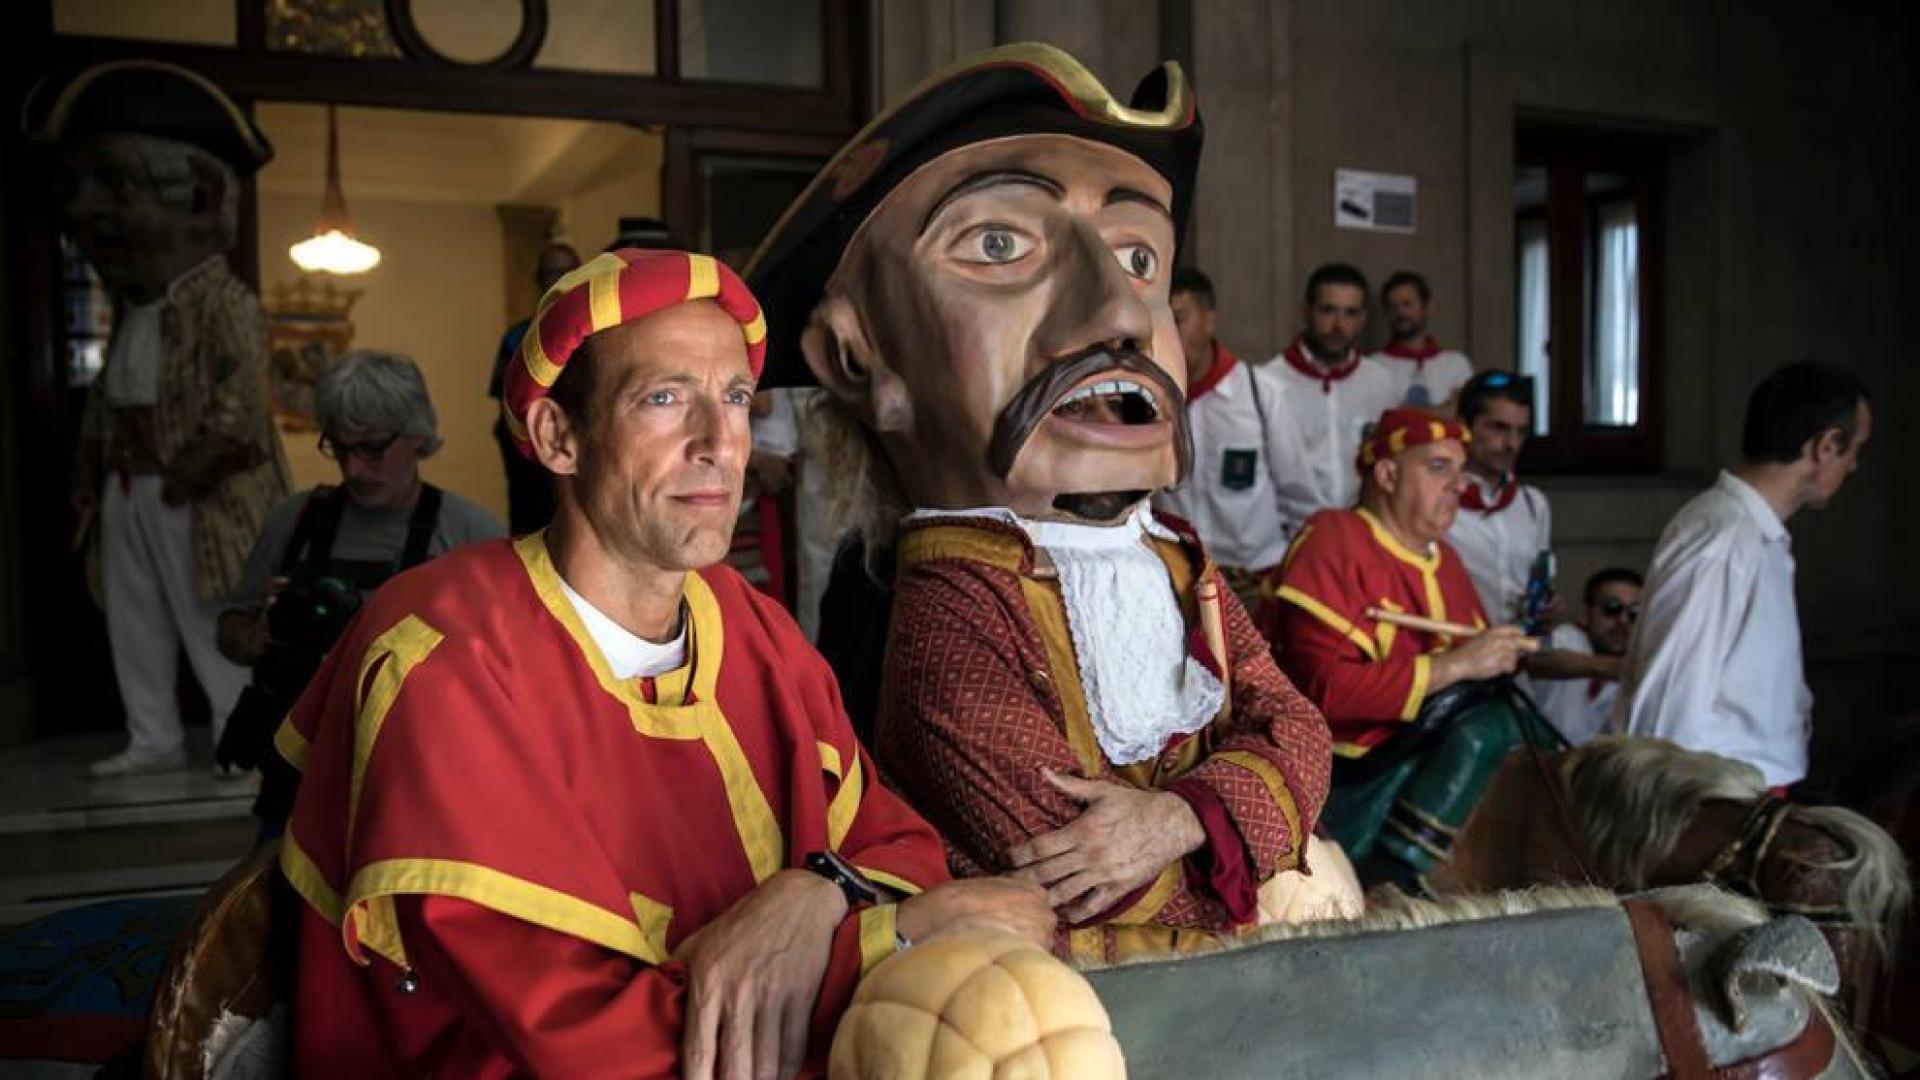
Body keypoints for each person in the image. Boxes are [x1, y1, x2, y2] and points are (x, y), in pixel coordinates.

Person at [275, 249, 1052, 1078]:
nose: (720, 443)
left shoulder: (751, 626)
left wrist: (814, 893)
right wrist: (893, 935)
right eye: (664, 397)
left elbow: (895, 848)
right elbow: (580, 1041)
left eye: (736, 397)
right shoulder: (443, 655)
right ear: (558, 437)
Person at [748, 43, 1341, 965]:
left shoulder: (1174, 562)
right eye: (999, 245)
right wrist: (1263, 836)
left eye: (1139, 256)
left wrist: (1183, 818)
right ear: (861, 362)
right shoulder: (952, 609)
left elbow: (1304, 732)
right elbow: (1085, 881)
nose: (1120, 313)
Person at [30, 61, 292, 777]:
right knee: (134, 616)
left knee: (210, 618)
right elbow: (107, 407)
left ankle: (236, 740)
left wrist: (185, 472)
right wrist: (91, 478)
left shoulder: (224, 303)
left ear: (202, 198)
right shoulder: (134, 310)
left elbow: (239, 407)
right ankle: (152, 737)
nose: (88, 213)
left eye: (115, 187)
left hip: (194, 495)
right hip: (128, 487)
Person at [213, 352, 502, 828]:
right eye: (340, 449)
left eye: (371, 449)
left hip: (423, 771)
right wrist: (259, 634)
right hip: (300, 774)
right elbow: (230, 632)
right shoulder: (294, 521)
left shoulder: (470, 532)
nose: (354, 470)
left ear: (416, 436)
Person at [1262, 408, 1544, 883]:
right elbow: (1325, 694)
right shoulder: (1334, 537)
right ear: (1388, 474)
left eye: (1461, 472)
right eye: (1438, 467)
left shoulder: (1446, 560)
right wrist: (1454, 667)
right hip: (1340, 763)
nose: (1459, 485)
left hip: (1421, 745)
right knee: (1488, 729)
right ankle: (1390, 874)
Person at [1614, 362, 1872, 789]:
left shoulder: (1755, 534)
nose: (1854, 466)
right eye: (1854, 450)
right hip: (1713, 803)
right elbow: (1666, 708)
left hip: (1750, 793)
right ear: (1826, 445)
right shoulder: (1724, 540)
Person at [1152, 267, 1315, 609]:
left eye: (1177, 319)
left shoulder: (1260, 394)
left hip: (1255, 581)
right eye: (1156, 320)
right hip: (1174, 582)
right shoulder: (1142, 401)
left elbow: (1299, 497)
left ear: (1209, 320)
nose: (1164, 333)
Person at [1267, 263, 1401, 523]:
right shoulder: (1269, 383)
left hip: (1364, 531)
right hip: (1293, 535)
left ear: (1362, 319)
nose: (1338, 325)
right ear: (1306, 312)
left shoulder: (1380, 381)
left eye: (1350, 313)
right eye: (1328, 311)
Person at [1444, 370, 1551, 626]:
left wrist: (1544, 605)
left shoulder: (1534, 504)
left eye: (1521, 431)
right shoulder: (1437, 501)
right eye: (1499, 428)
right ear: (1463, 426)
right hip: (1456, 657)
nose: (1512, 444)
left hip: (1519, 659)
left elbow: (1540, 580)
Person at [488, 241, 581, 535]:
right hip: (530, 457)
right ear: (539, 279)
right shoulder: (518, 336)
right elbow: (503, 401)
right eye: (552, 272)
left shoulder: (601, 334)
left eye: (567, 272)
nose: (559, 280)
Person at [1532, 568, 1640, 746]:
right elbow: (1536, 658)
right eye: (1611, 608)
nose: (1623, 621)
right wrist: (1613, 668)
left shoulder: (1641, 659)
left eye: (1634, 613)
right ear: (1586, 613)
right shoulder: (1566, 638)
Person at [1370, 270, 1474, 407]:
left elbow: (1467, 417)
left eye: (1407, 304)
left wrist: (1400, 411)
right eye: (1393, 307)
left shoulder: (1456, 365)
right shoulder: (1373, 367)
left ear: (1425, 307)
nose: (1400, 313)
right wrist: (1444, 410)